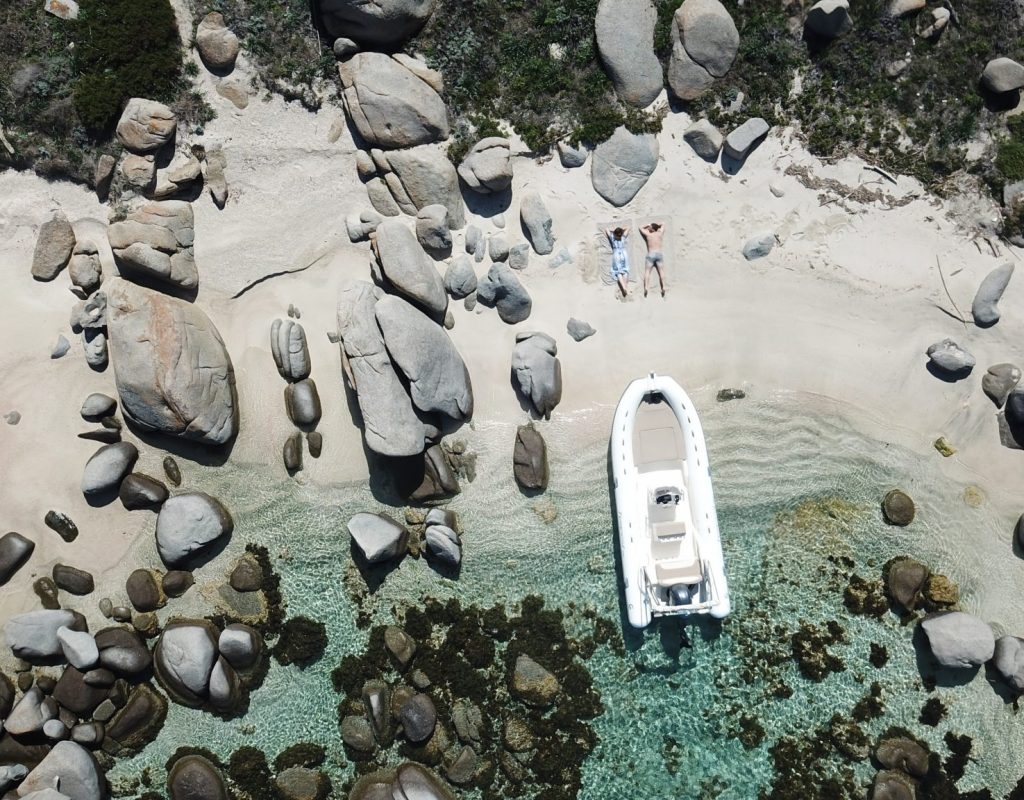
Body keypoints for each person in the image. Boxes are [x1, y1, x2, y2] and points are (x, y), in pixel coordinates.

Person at [640, 222, 667, 297]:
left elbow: (640, 227)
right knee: (661, 271)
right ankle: (663, 287)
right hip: (658, 254)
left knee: (647, 271)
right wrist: (657, 225)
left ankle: (646, 287)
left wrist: (647, 224)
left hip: (651, 254)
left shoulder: (648, 234)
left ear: (651, 229)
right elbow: (663, 224)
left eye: (650, 227)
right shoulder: (660, 233)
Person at [605, 225, 631, 297]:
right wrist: (622, 230)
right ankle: (625, 287)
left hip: (616, 254)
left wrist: (613, 230)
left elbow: (607, 229)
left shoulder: (613, 238)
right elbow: (628, 228)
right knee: (625, 270)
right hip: (624, 254)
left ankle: (624, 288)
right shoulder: (623, 237)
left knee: (618, 272)